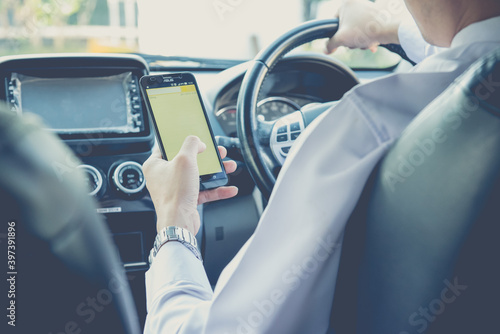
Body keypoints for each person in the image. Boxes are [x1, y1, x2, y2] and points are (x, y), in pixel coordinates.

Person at [142, 0, 500, 333]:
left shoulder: (365, 123)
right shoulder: (479, 91)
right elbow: (473, 46)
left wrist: (175, 221)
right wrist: (386, 26)